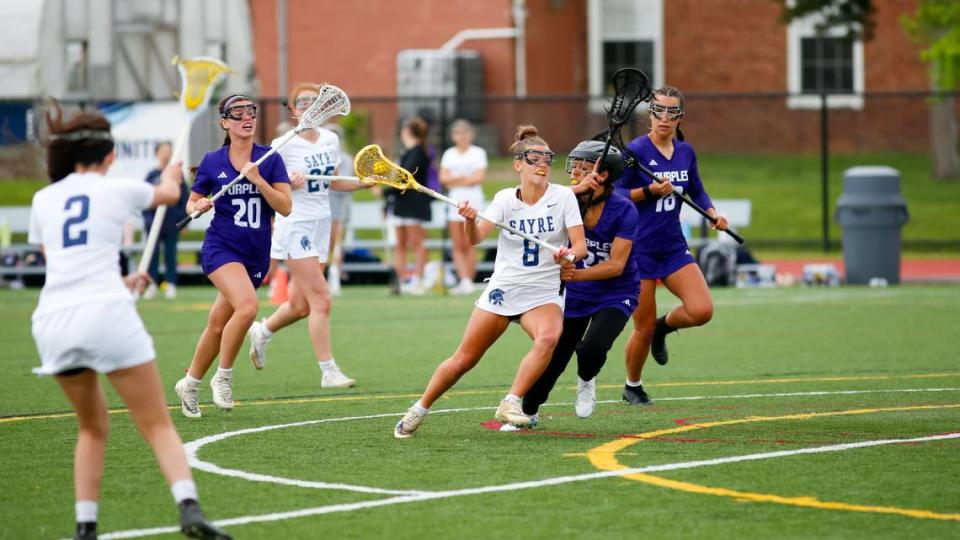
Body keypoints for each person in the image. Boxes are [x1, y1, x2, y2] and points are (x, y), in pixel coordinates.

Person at [29, 103, 230, 539]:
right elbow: (168, 194)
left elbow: (61, 262)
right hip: (106, 315)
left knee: (91, 427)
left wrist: (121, 279)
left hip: (54, 321)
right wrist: (174, 172)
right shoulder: (117, 189)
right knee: (156, 422)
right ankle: (188, 507)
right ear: (110, 157)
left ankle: (85, 527)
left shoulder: (43, 199)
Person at [394, 125, 587, 438]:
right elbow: (475, 239)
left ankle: (511, 402)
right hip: (505, 287)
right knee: (464, 359)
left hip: (543, 290)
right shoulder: (504, 200)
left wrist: (569, 255)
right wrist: (470, 221)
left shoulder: (563, 197)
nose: (542, 164)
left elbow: (580, 246)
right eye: (534, 158)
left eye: (547, 159)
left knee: (549, 337)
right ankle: (420, 407)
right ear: (518, 165)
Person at [173, 95, 292, 418]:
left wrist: (258, 180)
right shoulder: (213, 161)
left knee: (217, 324)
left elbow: (284, 206)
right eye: (236, 114)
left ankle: (189, 383)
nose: (245, 117)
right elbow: (192, 202)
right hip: (222, 249)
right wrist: (196, 206)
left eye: (250, 112)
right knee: (248, 307)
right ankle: (223, 377)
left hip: (256, 253)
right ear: (225, 122)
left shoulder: (269, 158)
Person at [615, 86, 729, 405]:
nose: (664, 118)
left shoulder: (685, 151)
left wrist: (712, 214)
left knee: (701, 310)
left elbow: (697, 189)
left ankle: (665, 328)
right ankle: (632, 386)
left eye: (671, 113)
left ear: (680, 118)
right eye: (658, 112)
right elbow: (615, 195)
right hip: (638, 251)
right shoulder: (635, 152)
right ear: (649, 115)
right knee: (642, 328)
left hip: (672, 247)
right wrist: (648, 191)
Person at [246, 83, 362, 389]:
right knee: (321, 299)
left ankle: (263, 330)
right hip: (295, 222)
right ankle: (329, 371)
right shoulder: (282, 144)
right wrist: (287, 185)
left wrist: (368, 183)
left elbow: (333, 183)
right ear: (294, 110)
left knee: (301, 305)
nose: (312, 106)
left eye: (317, 101)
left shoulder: (330, 139)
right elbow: (269, 189)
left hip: (321, 223)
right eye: (304, 102)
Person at [522, 140, 640, 423]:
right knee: (555, 355)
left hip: (616, 291)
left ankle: (586, 381)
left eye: (583, 168)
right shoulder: (566, 201)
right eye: (575, 168)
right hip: (574, 294)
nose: (575, 173)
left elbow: (616, 265)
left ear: (604, 176)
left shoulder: (624, 210)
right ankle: (528, 412)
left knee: (592, 347)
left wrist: (578, 274)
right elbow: (532, 207)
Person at [383, 116, 432, 295]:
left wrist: (384, 191)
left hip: (414, 204)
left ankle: (418, 280)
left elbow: (405, 179)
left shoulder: (418, 152)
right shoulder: (406, 152)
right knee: (401, 244)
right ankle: (402, 280)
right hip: (401, 204)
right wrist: (386, 192)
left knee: (417, 243)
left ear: (408, 132)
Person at [439, 119, 488, 295]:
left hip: (474, 200)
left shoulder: (478, 153)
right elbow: (444, 178)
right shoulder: (449, 154)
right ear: (453, 136)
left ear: (471, 135)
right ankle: (464, 279)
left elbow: (479, 177)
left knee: (470, 243)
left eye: (465, 133)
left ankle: (469, 279)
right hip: (454, 201)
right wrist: (465, 178)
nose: (462, 137)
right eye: (458, 133)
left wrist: (457, 179)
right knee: (457, 243)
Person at [142, 141, 188, 299]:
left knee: (170, 254)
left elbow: (184, 199)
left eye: (168, 151)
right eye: (162, 151)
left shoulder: (176, 175)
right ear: (157, 153)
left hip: (171, 222)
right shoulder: (152, 175)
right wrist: (148, 220)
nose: (166, 154)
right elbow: (145, 200)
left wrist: (184, 220)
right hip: (153, 223)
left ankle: (171, 284)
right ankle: (151, 284)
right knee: (152, 255)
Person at [325, 122, 354, 296]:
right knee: (326, 242)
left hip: (340, 202)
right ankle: (326, 274)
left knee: (337, 240)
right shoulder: (322, 157)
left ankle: (335, 275)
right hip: (324, 201)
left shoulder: (345, 158)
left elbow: (342, 182)